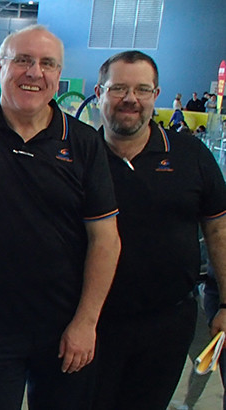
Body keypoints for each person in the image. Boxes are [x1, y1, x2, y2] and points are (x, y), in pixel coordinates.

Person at [0, 24, 121, 409]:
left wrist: (86, 323)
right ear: (1, 67)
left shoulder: (83, 140)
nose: (34, 72)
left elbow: (105, 238)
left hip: (62, 325)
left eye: (47, 64)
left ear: (58, 75)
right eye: (22, 60)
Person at [91, 50, 226, 410]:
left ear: (157, 94)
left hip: (167, 322)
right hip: (93, 323)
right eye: (118, 88)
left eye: (142, 89)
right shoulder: (80, 156)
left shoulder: (190, 155)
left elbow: (218, 233)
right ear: (99, 92)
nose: (130, 99)